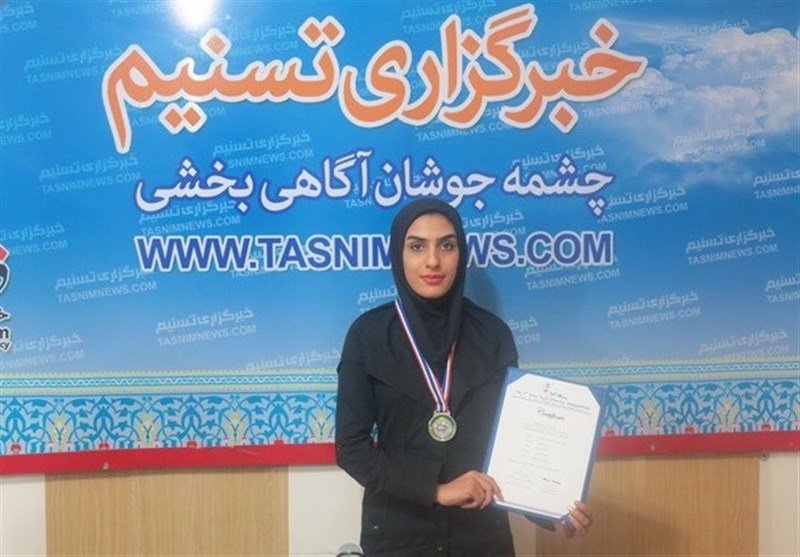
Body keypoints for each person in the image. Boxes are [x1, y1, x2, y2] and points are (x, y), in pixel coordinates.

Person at [335, 199, 593, 557]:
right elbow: (352, 449)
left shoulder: (493, 336)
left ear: (462, 253)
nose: (433, 261)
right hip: (399, 535)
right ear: (398, 255)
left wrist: (553, 513)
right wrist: (436, 490)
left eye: (447, 245)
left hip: (481, 536)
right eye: (417, 247)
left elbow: (516, 445)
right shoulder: (368, 336)